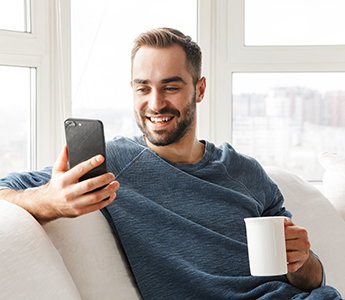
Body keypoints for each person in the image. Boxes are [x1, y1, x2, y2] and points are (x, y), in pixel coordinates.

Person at [0, 28, 341, 300]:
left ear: (200, 89)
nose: (156, 103)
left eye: (171, 87)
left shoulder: (245, 171)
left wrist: (302, 261)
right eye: (143, 88)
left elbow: (310, 278)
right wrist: (49, 201)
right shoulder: (111, 162)